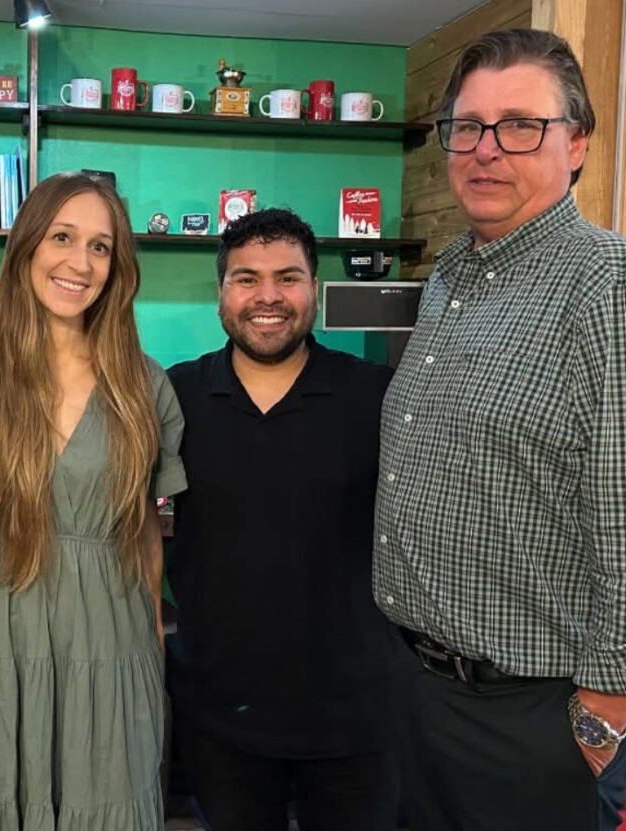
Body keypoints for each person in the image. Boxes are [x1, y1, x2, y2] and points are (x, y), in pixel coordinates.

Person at [373, 27, 626, 831]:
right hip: (421, 692)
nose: (485, 150)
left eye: (520, 126)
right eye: (467, 127)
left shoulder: (617, 288)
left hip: (532, 719)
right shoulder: (449, 277)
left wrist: (598, 723)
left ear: (575, 143)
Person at [0, 171, 187, 830]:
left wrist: (148, 643)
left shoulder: (143, 384)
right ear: (28, 245)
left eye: (101, 246)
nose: (80, 262)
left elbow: (144, 531)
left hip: (107, 644)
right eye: (63, 236)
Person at [166, 208, 400, 831]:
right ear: (221, 294)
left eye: (287, 278)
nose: (268, 297)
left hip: (357, 717)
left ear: (314, 291)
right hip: (220, 716)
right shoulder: (173, 397)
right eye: (246, 278)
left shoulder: (378, 395)